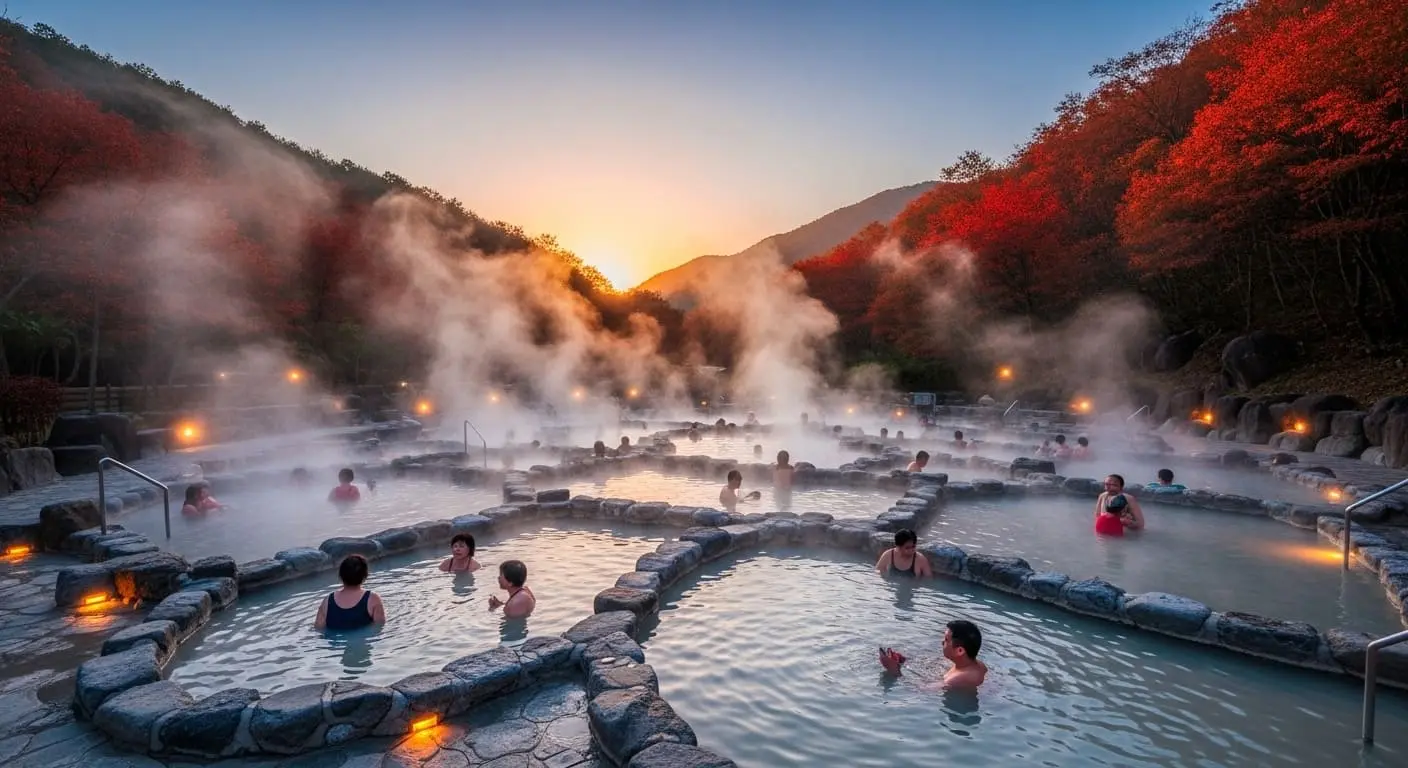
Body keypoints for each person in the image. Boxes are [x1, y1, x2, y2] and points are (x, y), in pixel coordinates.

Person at [879, 619, 988, 689]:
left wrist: (894, 670)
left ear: (960, 651)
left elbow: (921, 690)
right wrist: (904, 660)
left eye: (946, 639)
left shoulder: (956, 679)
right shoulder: (976, 664)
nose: (942, 642)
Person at [315, 555, 386, 630]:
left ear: (340, 576)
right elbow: (379, 627)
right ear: (365, 576)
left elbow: (319, 628)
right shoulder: (373, 599)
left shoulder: (327, 601)